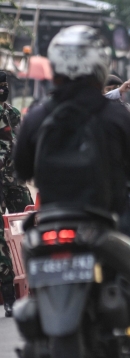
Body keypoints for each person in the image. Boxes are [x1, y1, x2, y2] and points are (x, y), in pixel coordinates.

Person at [13, 25, 130, 313]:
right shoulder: (114, 113)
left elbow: (21, 169)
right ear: (99, 66)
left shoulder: (37, 115)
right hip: (109, 216)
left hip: (52, 220)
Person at [0, 71, 34, 317]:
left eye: (4, 85)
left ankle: (38, 285)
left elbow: (22, 143)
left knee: (31, 223)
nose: (3, 89)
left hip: (14, 180)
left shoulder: (11, 112)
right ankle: (9, 296)